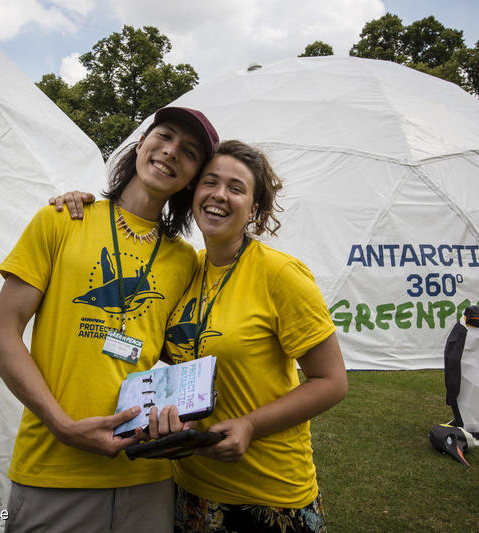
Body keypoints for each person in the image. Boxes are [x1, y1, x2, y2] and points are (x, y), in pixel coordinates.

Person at [54, 140, 348, 533]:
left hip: (268, 493)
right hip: (189, 490)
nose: (219, 195)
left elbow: (332, 382)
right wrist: (82, 209)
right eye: (210, 182)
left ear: (255, 210)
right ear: (194, 194)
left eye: (236, 188)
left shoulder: (280, 274)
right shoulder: (186, 269)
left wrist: (249, 425)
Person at [0, 106, 219, 533]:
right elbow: (0, 337)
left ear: (193, 177)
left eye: (188, 152)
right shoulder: (61, 220)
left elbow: (180, 355)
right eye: (163, 137)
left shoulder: (186, 259)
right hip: (54, 467)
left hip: (147, 472)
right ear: (141, 144)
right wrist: (64, 426)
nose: (170, 152)